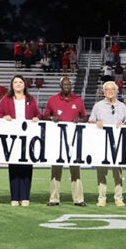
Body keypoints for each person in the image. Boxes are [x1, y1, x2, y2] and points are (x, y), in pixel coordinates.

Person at [0, 75, 42, 206]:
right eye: (15, 82)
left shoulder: (31, 99)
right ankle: (15, 197)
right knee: (14, 167)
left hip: (28, 137)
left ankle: (25, 196)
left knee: (27, 166)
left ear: (24, 84)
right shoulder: (6, 99)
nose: (18, 84)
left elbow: (38, 114)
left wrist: (36, 118)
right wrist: (4, 117)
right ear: (12, 85)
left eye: (20, 82)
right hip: (12, 137)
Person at [43, 76, 88, 207]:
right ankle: (54, 198)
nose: (67, 86)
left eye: (69, 85)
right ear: (60, 86)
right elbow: (44, 115)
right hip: (57, 140)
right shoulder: (53, 100)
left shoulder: (78, 100)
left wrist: (80, 120)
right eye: (65, 84)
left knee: (75, 169)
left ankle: (78, 199)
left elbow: (85, 117)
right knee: (56, 169)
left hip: (74, 140)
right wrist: (52, 117)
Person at [88, 81, 126, 207]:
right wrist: (96, 123)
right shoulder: (98, 106)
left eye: (112, 89)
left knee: (118, 172)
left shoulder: (122, 106)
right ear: (104, 92)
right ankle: (102, 197)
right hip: (102, 143)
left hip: (117, 144)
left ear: (117, 91)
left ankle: (119, 197)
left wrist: (123, 125)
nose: (110, 91)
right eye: (107, 89)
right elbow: (90, 121)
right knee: (101, 171)